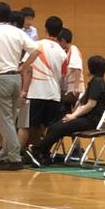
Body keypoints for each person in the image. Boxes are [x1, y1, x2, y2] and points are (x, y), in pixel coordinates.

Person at [0, 2, 40, 171]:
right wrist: (23, 68)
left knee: (5, 120)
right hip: (16, 78)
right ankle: (5, 155)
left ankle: (14, 157)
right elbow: (36, 50)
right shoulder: (17, 32)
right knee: (10, 120)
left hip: (1, 78)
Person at [32, 55, 105, 165]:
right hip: (86, 117)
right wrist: (73, 115)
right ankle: (43, 153)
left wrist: (73, 116)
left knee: (59, 127)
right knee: (55, 125)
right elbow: (83, 104)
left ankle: (38, 150)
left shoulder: (97, 82)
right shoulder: (95, 81)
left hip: (92, 120)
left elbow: (90, 104)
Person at [20, 16, 67, 153]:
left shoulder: (35, 46)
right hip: (53, 95)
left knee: (29, 126)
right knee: (47, 127)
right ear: (60, 32)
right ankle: (41, 152)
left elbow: (26, 69)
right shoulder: (62, 53)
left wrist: (24, 90)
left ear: (45, 29)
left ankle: (30, 152)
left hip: (34, 93)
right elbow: (63, 75)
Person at [59, 28, 85, 97]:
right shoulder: (66, 52)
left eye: (58, 42)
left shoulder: (73, 49)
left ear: (63, 41)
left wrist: (76, 88)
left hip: (75, 89)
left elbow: (78, 68)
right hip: (69, 87)